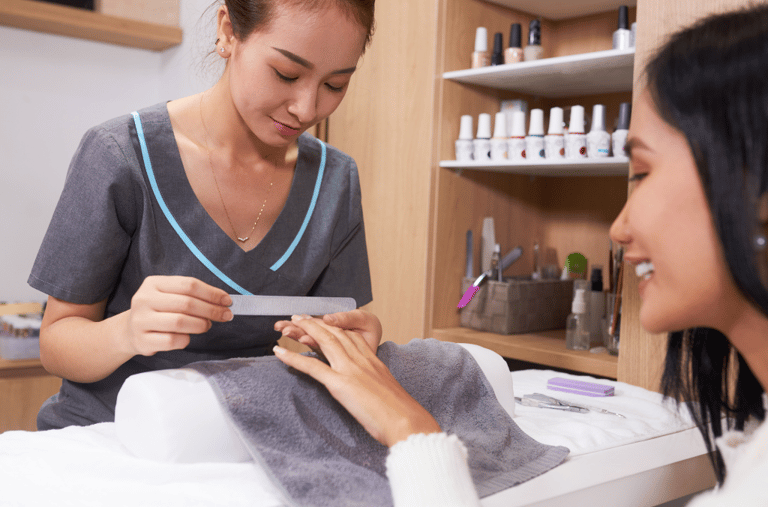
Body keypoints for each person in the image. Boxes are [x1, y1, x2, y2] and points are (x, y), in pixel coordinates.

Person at [273, 4, 768, 505]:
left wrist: (409, 428)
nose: (618, 227)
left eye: (641, 172)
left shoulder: (335, 174)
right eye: (285, 73)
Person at [28, 0, 376, 431]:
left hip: (241, 438)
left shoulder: (335, 181)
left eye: (336, 85)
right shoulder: (120, 155)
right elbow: (55, 344)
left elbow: (326, 343)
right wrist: (126, 331)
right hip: (110, 437)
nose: (306, 108)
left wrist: (349, 350)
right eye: (286, 74)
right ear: (229, 31)